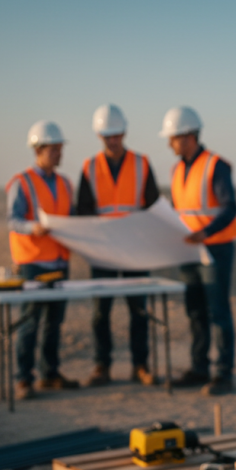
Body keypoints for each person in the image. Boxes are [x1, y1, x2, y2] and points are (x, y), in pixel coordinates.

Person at [77, 103, 160, 387]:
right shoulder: (89, 167)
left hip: (135, 252)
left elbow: (152, 207)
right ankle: (102, 366)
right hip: (103, 252)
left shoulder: (142, 163)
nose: (113, 141)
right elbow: (84, 211)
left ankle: (140, 365)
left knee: (139, 310)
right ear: (100, 136)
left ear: (124, 133)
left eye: (117, 135)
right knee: (101, 312)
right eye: (107, 136)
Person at [161, 106, 236, 396]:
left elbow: (230, 208)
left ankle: (223, 373)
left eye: (173, 137)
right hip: (189, 252)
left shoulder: (215, 165)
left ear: (188, 136)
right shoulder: (177, 169)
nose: (169, 143)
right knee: (194, 311)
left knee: (217, 311)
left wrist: (205, 233)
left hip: (215, 249)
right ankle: (199, 368)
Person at [6, 121, 80, 400]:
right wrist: (33, 227)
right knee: (29, 323)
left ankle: (50, 374)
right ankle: (24, 379)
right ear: (38, 149)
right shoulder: (21, 183)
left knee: (53, 324)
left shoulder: (65, 183)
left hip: (59, 263)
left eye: (60, 149)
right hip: (32, 263)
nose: (59, 154)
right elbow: (12, 220)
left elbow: (69, 216)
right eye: (54, 149)